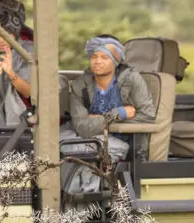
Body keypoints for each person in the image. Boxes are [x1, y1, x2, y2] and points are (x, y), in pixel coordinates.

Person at [61, 35, 155, 193]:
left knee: (86, 152)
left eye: (104, 57)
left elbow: (147, 116)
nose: (97, 61)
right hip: (89, 137)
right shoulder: (80, 85)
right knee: (56, 143)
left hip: (126, 141)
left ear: (116, 60)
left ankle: (84, 207)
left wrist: (98, 121)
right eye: (94, 56)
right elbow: (82, 127)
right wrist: (117, 114)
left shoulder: (132, 80)